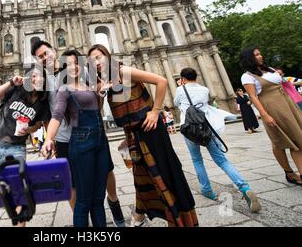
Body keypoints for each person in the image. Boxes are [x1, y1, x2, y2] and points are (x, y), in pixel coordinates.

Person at [88, 44, 198, 227]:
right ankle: (140, 214)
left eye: (98, 57)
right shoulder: (103, 82)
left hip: (150, 130)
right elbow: (98, 110)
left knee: (162, 172)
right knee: (141, 174)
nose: (96, 62)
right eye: (92, 61)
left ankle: (177, 219)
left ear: (107, 56)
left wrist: (155, 111)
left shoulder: (123, 71)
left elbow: (161, 81)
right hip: (132, 135)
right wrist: (99, 92)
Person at [32, 40, 125, 227]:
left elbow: (99, 90)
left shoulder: (81, 70)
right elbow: (51, 113)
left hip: (93, 133)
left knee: (106, 170)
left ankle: (114, 202)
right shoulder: (43, 80)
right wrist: (50, 139)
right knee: (73, 184)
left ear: (54, 51)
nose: (44, 58)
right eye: (39, 57)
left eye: (46, 53)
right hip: (66, 139)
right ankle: (82, 220)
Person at [0, 64, 50, 227]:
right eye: (33, 76)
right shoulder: (16, 90)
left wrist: (30, 129)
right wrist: (10, 83)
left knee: (19, 194)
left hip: (16, 148)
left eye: (40, 76)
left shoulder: (43, 103)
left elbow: (40, 124)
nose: (36, 79)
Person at [175, 68, 261, 212]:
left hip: (189, 129)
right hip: (206, 127)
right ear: (196, 77)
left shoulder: (180, 90)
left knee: (197, 160)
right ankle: (244, 187)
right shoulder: (204, 89)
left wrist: (180, 87)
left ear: (183, 78)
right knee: (222, 160)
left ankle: (207, 189)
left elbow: (177, 103)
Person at [43, 49, 110, 227]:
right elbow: (57, 114)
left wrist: (101, 93)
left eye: (76, 63)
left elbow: (98, 109)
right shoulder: (64, 89)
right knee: (84, 200)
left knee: (98, 198)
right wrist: (49, 138)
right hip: (81, 143)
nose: (73, 67)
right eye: (68, 64)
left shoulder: (89, 85)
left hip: (101, 142)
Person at [240, 47, 302, 186]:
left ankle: (292, 173)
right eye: (256, 55)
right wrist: (265, 115)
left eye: (260, 53)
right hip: (272, 108)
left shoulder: (269, 69)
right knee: (284, 140)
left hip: (287, 104)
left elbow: (284, 82)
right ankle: (290, 172)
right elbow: (253, 97)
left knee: (293, 138)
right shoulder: (247, 76)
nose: (260, 56)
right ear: (250, 58)